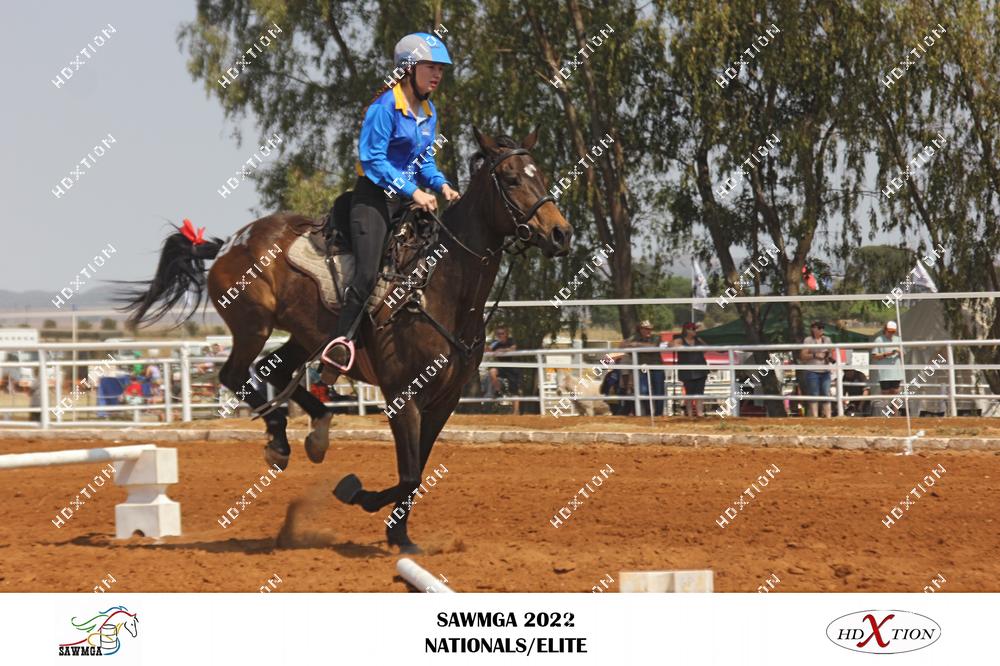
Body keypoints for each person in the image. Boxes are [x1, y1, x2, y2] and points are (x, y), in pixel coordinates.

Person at [322, 32, 461, 372]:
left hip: (407, 200)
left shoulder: (428, 111)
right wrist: (413, 191)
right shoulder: (384, 107)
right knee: (368, 273)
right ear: (409, 68)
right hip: (373, 199)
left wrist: (442, 185)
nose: (437, 75)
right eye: (431, 67)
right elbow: (373, 161)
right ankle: (341, 344)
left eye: (441, 69)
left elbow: (424, 162)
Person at [622, 320, 665, 416]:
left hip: (656, 367)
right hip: (642, 368)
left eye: (650, 329)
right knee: (643, 390)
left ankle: (658, 414)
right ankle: (648, 413)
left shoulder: (656, 337)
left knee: (659, 391)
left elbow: (653, 347)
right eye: (645, 329)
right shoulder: (635, 337)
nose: (648, 331)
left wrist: (637, 345)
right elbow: (622, 346)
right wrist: (631, 341)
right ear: (640, 330)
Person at [670, 322, 709, 416]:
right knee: (689, 394)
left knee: (700, 393)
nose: (695, 331)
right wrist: (683, 347)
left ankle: (700, 414)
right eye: (693, 329)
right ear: (687, 330)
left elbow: (706, 348)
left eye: (695, 329)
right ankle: (690, 415)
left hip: (700, 370)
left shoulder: (698, 339)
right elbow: (670, 345)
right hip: (687, 372)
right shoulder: (680, 340)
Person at [798, 320, 833, 417]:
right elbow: (803, 356)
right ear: (813, 329)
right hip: (812, 371)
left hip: (825, 371)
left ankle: (828, 416)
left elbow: (831, 353)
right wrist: (815, 355)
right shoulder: (808, 340)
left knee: (826, 393)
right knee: (814, 394)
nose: (822, 330)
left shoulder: (827, 339)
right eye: (819, 328)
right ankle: (815, 417)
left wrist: (827, 355)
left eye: (822, 328)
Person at [483, 326, 520, 415]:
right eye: (498, 334)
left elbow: (513, 349)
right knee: (492, 372)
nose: (500, 335)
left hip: (512, 368)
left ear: (506, 334)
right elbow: (487, 351)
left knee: (514, 389)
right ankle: (498, 390)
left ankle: (516, 411)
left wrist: (501, 350)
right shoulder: (496, 343)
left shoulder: (511, 341)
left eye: (502, 333)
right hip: (501, 367)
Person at [872, 321, 904, 415]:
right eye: (889, 331)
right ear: (885, 330)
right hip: (884, 372)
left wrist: (899, 352)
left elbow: (903, 354)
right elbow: (874, 356)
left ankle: (895, 414)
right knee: (885, 393)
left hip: (896, 371)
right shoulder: (878, 340)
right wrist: (888, 354)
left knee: (896, 392)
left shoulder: (898, 339)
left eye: (893, 331)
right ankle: (884, 414)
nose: (891, 333)